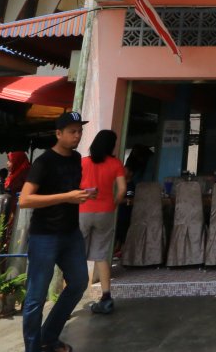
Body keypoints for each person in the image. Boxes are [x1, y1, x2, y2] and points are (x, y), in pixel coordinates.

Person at [20, 112, 91, 352]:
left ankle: (48, 337)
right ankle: (32, 347)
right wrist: (67, 197)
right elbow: (25, 199)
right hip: (45, 235)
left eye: (79, 131)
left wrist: (82, 194)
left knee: (79, 282)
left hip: (70, 233)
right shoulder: (44, 162)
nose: (77, 136)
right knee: (36, 297)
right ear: (58, 134)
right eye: (72, 131)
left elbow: (69, 191)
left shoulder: (77, 158)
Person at [79, 129, 126, 315]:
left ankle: (69, 298)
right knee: (101, 254)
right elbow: (122, 190)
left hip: (83, 210)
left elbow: (74, 186)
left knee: (76, 254)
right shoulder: (115, 164)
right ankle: (106, 297)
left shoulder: (83, 163)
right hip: (105, 211)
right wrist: (113, 203)